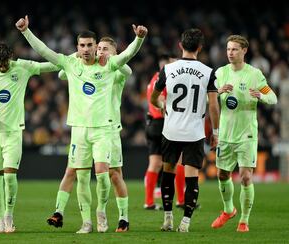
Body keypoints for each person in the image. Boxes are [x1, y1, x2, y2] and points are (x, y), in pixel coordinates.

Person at [16, 15, 147, 233]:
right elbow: (45, 51)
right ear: (77, 47)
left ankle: (101, 211)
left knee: (104, 174)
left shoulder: (109, 65)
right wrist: (25, 32)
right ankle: (86, 222)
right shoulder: (70, 63)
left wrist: (139, 39)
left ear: (96, 47)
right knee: (82, 177)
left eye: (90, 45)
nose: (86, 49)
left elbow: (127, 57)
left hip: (104, 129)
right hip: (78, 130)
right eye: (82, 45)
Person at [0, 42, 60, 233]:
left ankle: (9, 217)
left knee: (9, 175)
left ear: (11, 58)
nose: (2, 67)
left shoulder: (22, 67)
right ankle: (0, 220)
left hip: (13, 132)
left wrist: (69, 59)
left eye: (5, 63)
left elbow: (49, 65)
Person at [49, 37, 132, 233]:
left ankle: (123, 217)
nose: (101, 51)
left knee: (114, 175)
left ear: (114, 52)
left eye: (106, 49)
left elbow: (128, 70)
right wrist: (76, 56)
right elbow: (63, 73)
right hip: (86, 127)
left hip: (109, 129)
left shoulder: (116, 70)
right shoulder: (91, 66)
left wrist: (111, 59)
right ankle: (75, 216)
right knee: (77, 172)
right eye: (99, 48)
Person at [151, 28, 220, 232]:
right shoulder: (208, 72)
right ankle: (186, 223)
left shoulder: (168, 69)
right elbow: (214, 106)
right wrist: (215, 132)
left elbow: (154, 97)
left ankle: (167, 218)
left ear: (180, 46)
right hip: (194, 133)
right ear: (200, 47)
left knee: (168, 174)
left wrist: (161, 104)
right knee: (191, 178)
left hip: (171, 131)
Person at [211, 35, 277, 232]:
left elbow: (272, 97)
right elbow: (210, 99)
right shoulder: (221, 73)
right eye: (228, 49)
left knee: (246, 177)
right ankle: (228, 210)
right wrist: (219, 91)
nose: (230, 53)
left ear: (244, 51)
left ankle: (244, 220)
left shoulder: (255, 74)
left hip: (247, 134)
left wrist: (261, 96)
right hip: (225, 134)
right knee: (222, 174)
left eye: (234, 49)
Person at [144, 53, 182, 210]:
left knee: (154, 164)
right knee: (178, 161)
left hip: (152, 124)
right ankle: (181, 199)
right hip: (163, 123)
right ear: (165, 65)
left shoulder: (153, 79)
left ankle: (149, 202)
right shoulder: (165, 79)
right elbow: (164, 102)